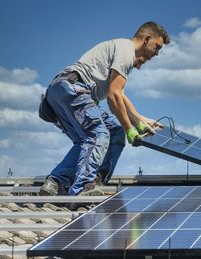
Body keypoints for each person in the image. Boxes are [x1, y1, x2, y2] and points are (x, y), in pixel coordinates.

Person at [39, 22, 170, 196]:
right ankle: (84, 187)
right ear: (146, 39)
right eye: (157, 47)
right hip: (74, 89)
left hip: (60, 90)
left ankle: (57, 181)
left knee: (113, 133)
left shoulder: (120, 49)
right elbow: (113, 96)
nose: (157, 53)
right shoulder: (127, 51)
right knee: (98, 134)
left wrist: (140, 120)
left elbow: (120, 95)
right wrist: (130, 130)